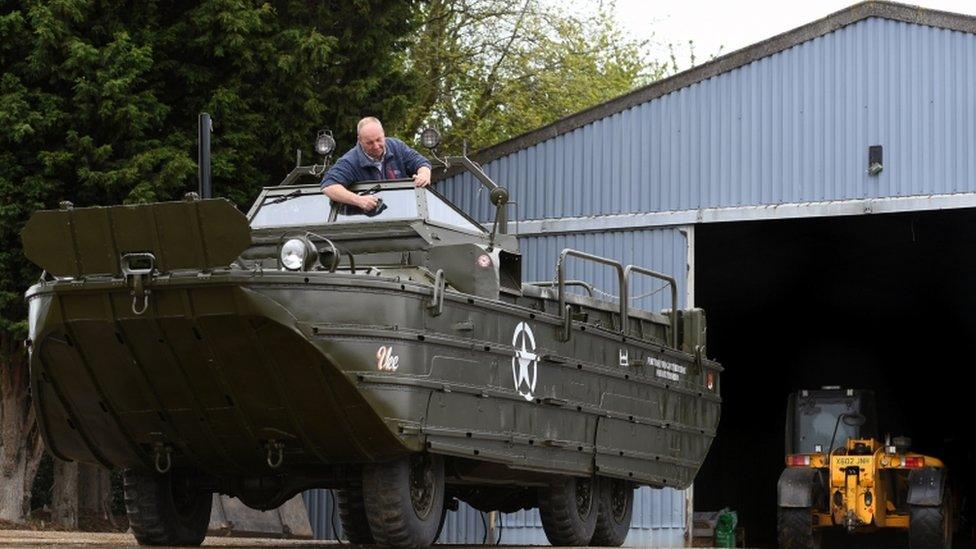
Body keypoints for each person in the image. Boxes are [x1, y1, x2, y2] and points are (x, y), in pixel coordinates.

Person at [320, 117, 432, 211]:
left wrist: (424, 175)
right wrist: (359, 200)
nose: (376, 146)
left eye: (379, 139)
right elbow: (328, 186)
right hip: (368, 221)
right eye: (369, 142)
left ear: (384, 134)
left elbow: (421, 162)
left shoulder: (397, 146)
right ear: (359, 140)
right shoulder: (350, 161)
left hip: (402, 212)